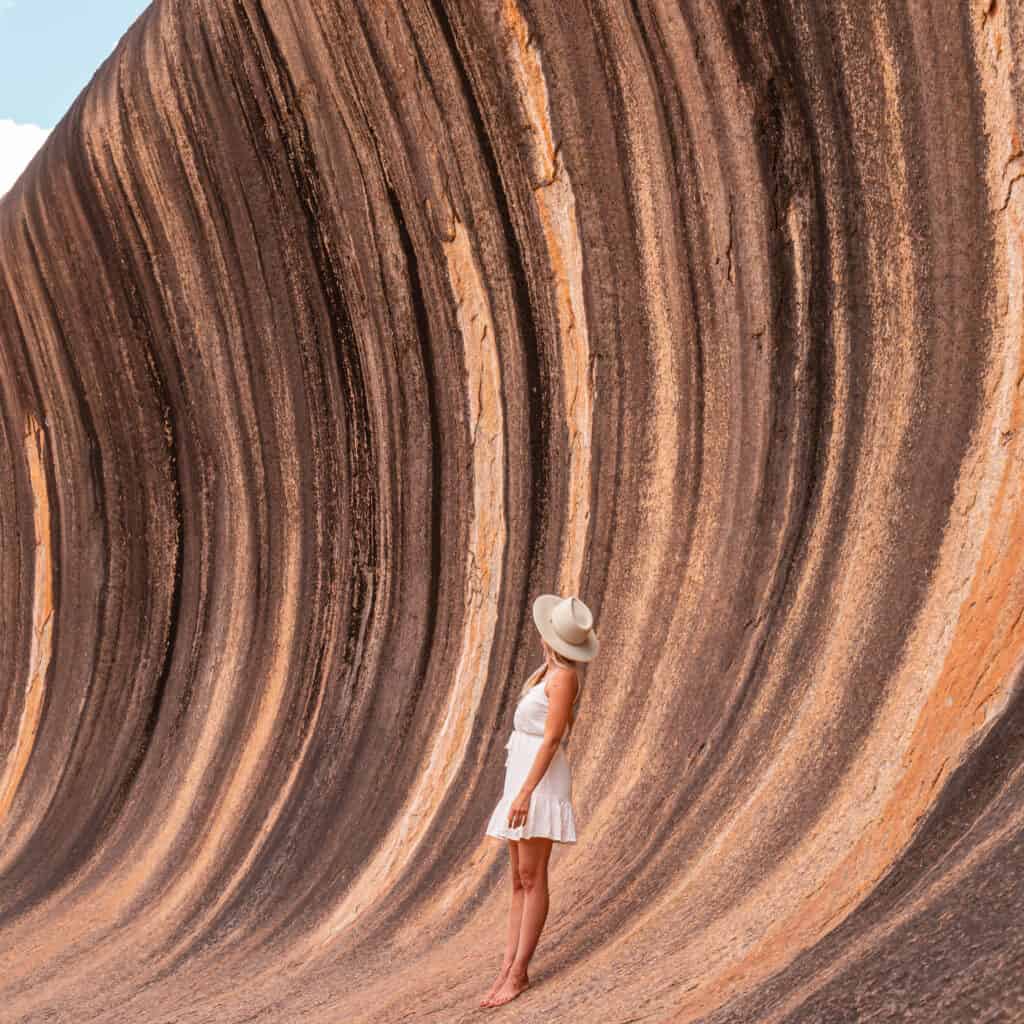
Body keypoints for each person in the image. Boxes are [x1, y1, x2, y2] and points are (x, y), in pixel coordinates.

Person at [480, 593, 599, 1008]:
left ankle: (519, 973)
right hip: (524, 775)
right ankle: (507, 965)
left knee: (532, 877)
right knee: (517, 879)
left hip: (540, 781)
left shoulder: (563, 676)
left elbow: (553, 738)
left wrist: (527, 793)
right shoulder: (544, 672)